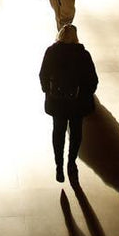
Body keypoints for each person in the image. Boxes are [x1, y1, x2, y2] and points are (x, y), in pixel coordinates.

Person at [39, 24, 98, 183]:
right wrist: (85, 95)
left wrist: (48, 91)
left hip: (57, 102)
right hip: (77, 104)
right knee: (76, 132)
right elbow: (93, 80)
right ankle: (71, 162)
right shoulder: (83, 55)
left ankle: (59, 165)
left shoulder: (51, 52)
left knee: (58, 132)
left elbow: (43, 74)